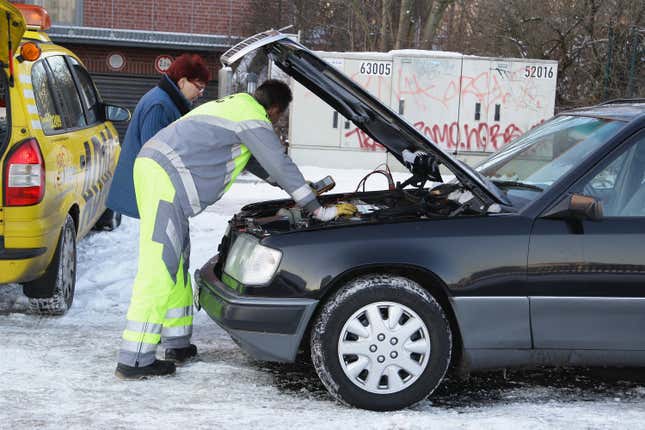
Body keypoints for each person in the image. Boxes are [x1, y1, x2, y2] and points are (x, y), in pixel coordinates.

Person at [115, 80, 356, 379]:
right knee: (160, 266)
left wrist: (297, 188)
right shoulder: (253, 118)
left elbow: (261, 163)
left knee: (176, 261)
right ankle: (135, 358)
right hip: (164, 178)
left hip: (157, 171)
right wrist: (316, 209)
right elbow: (279, 163)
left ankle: (177, 343)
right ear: (275, 109)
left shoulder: (234, 107)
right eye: (279, 118)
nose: (275, 123)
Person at [107, 53, 210, 219]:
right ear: (182, 81)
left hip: (150, 194)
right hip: (147, 196)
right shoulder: (160, 105)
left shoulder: (167, 100)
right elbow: (155, 158)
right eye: (199, 87)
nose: (201, 93)